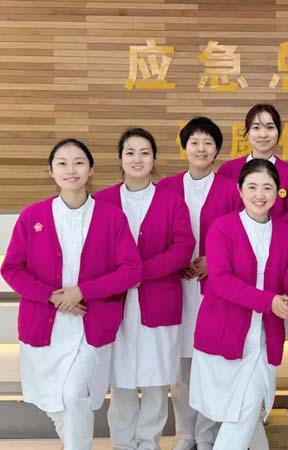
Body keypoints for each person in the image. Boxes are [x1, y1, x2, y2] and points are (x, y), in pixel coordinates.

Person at [0, 139, 142, 450]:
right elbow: (11, 269)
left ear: (90, 169)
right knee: (54, 402)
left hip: (90, 323)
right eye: (62, 163)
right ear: (51, 171)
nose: (71, 170)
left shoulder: (112, 217)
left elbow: (131, 270)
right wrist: (53, 297)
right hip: (44, 324)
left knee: (75, 395)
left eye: (79, 162)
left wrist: (81, 292)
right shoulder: (32, 216)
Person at [95, 128, 195, 450]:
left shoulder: (171, 201)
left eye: (144, 153)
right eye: (130, 152)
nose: (137, 159)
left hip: (159, 299)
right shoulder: (102, 201)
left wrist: (139, 273)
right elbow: (94, 249)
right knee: (121, 381)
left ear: (154, 159)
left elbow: (183, 247)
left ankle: (149, 442)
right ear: (120, 159)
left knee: (157, 381)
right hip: (116, 304)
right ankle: (123, 444)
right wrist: (122, 278)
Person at [189, 159, 288, 450]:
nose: (259, 195)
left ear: (277, 192)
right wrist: (268, 301)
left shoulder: (287, 234)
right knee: (241, 412)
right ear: (239, 190)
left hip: (264, 338)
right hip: (224, 333)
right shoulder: (222, 228)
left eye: (267, 187)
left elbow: (285, 287)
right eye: (252, 187)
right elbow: (221, 280)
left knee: (248, 406)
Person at [158, 117, 240, 450]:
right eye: (194, 142)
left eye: (208, 143)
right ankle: (185, 433)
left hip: (214, 288)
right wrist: (173, 261)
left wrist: (214, 262)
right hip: (175, 287)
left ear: (217, 150)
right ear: (184, 148)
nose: (201, 149)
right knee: (180, 368)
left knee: (211, 364)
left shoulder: (232, 189)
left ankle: (207, 434)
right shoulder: (165, 188)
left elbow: (241, 234)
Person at [218, 103, 288, 231]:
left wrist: (268, 230)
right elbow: (220, 210)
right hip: (235, 239)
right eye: (256, 128)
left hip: (278, 239)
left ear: (279, 133)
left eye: (270, 127)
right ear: (247, 133)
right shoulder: (228, 170)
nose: (263, 134)